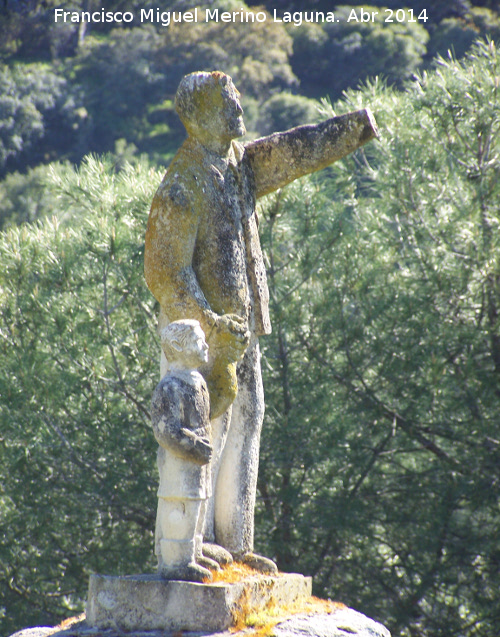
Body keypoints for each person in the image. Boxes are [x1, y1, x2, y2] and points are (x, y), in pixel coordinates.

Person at [144, 71, 378, 571]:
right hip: (200, 341)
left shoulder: (236, 164)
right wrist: (209, 322)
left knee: (246, 422)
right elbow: (165, 272)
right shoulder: (183, 184)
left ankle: (235, 542)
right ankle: (189, 545)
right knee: (204, 431)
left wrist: (355, 128)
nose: (239, 107)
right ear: (199, 112)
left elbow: (294, 151)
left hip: (238, 336)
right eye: (229, 100)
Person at [151, 319, 214, 582]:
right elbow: (165, 431)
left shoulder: (197, 380)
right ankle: (177, 560)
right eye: (200, 341)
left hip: (198, 464)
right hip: (179, 464)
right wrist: (195, 445)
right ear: (177, 346)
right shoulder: (170, 387)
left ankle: (193, 552)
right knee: (179, 506)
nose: (206, 346)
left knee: (198, 505)